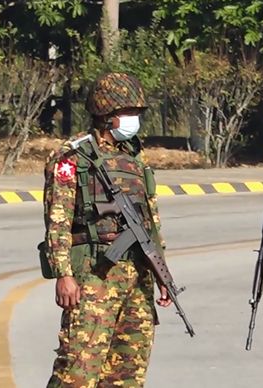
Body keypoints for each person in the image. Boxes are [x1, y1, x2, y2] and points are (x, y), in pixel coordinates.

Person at [42, 72, 172, 387]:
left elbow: (150, 220)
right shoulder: (72, 155)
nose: (135, 120)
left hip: (137, 281)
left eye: (138, 113)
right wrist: (64, 274)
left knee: (127, 374)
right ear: (108, 116)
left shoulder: (136, 158)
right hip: (93, 277)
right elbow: (57, 217)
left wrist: (162, 273)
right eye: (130, 113)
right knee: (77, 371)